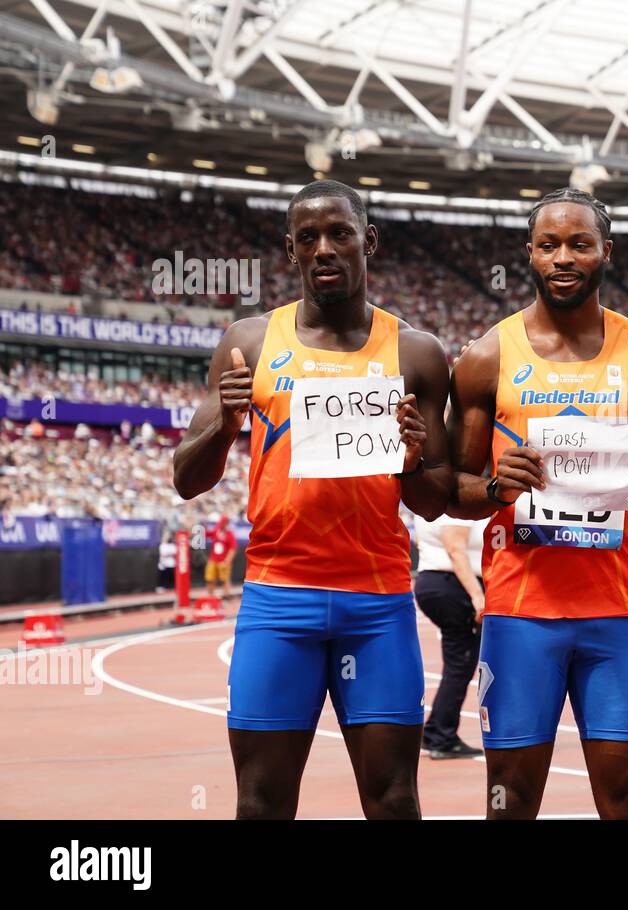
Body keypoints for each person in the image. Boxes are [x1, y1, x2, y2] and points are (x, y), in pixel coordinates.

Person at [172, 179, 452, 820]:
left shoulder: (415, 353)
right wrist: (223, 423)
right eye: (307, 238)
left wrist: (412, 460)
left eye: (340, 234)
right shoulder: (249, 343)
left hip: (376, 604)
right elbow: (187, 478)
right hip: (278, 599)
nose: (324, 248)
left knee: (394, 799)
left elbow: (433, 501)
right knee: (262, 802)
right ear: (290, 250)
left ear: (368, 241)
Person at [447, 188, 628, 820]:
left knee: (625, 798)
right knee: (511, 799)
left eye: (579, 244)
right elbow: (452, 490)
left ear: (604, 252)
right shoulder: (485, 359)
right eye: (549, 245)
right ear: (529, 254)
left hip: (616, 614)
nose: (564, 257)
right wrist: (498, 487)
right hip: (520, 614)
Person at [413, 512, 489, 759]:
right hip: (451, 584)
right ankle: (439, 735)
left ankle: (437, 732)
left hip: (439, 582)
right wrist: (478, 596)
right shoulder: (455, 505)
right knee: (461, 663)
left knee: (460, 663)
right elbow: (455, 549)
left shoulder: (432, 502)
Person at [204, 514, 236, 601]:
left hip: (223, 560)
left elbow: (233, 548)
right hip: (213, 559)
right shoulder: (216, 530)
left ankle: (226, 596)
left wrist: (227, 560)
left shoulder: (230, 534)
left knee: (224, 580)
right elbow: (206, 534)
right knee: (210, 578)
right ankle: (210, 596)